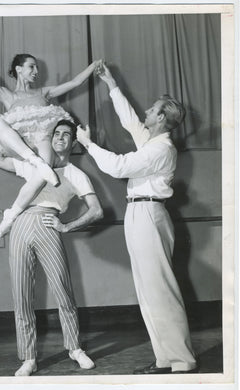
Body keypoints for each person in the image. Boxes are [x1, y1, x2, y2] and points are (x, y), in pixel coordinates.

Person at [76, 64, 198, 374]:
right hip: (140, 211)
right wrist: (111, 83)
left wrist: (89, 144)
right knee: (148, 289)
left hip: (149, 213)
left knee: (160, 289)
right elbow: (130, 119)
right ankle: (165, 359)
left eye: (153, 108)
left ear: (161, 118)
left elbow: (118, 167)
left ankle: (181, 360)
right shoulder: (153, 142)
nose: (147, 109)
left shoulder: (161, 149)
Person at [0, 22, 102, 237]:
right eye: (31, 67)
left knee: (42, 174)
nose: (36, 71)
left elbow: (74, 82)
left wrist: (93, 66)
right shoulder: (8, 96)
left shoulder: (43, 93)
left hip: (42, 138)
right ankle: (35, 161)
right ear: (19, 69)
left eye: (36, 67)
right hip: (20, 145)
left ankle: (12, 214)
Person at [0, 119, 103, 376]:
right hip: (19, 225)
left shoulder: (76, 174)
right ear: (50, 139)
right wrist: (13, 129)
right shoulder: (34, 165)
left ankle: (74, 349)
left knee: (63, 291)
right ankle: (28, 358)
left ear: (74, 142)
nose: (60, 137)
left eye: (66, 135)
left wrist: (67, 226)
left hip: (49, 224)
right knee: (22, 296)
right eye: (56, 133)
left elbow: (97, 211)